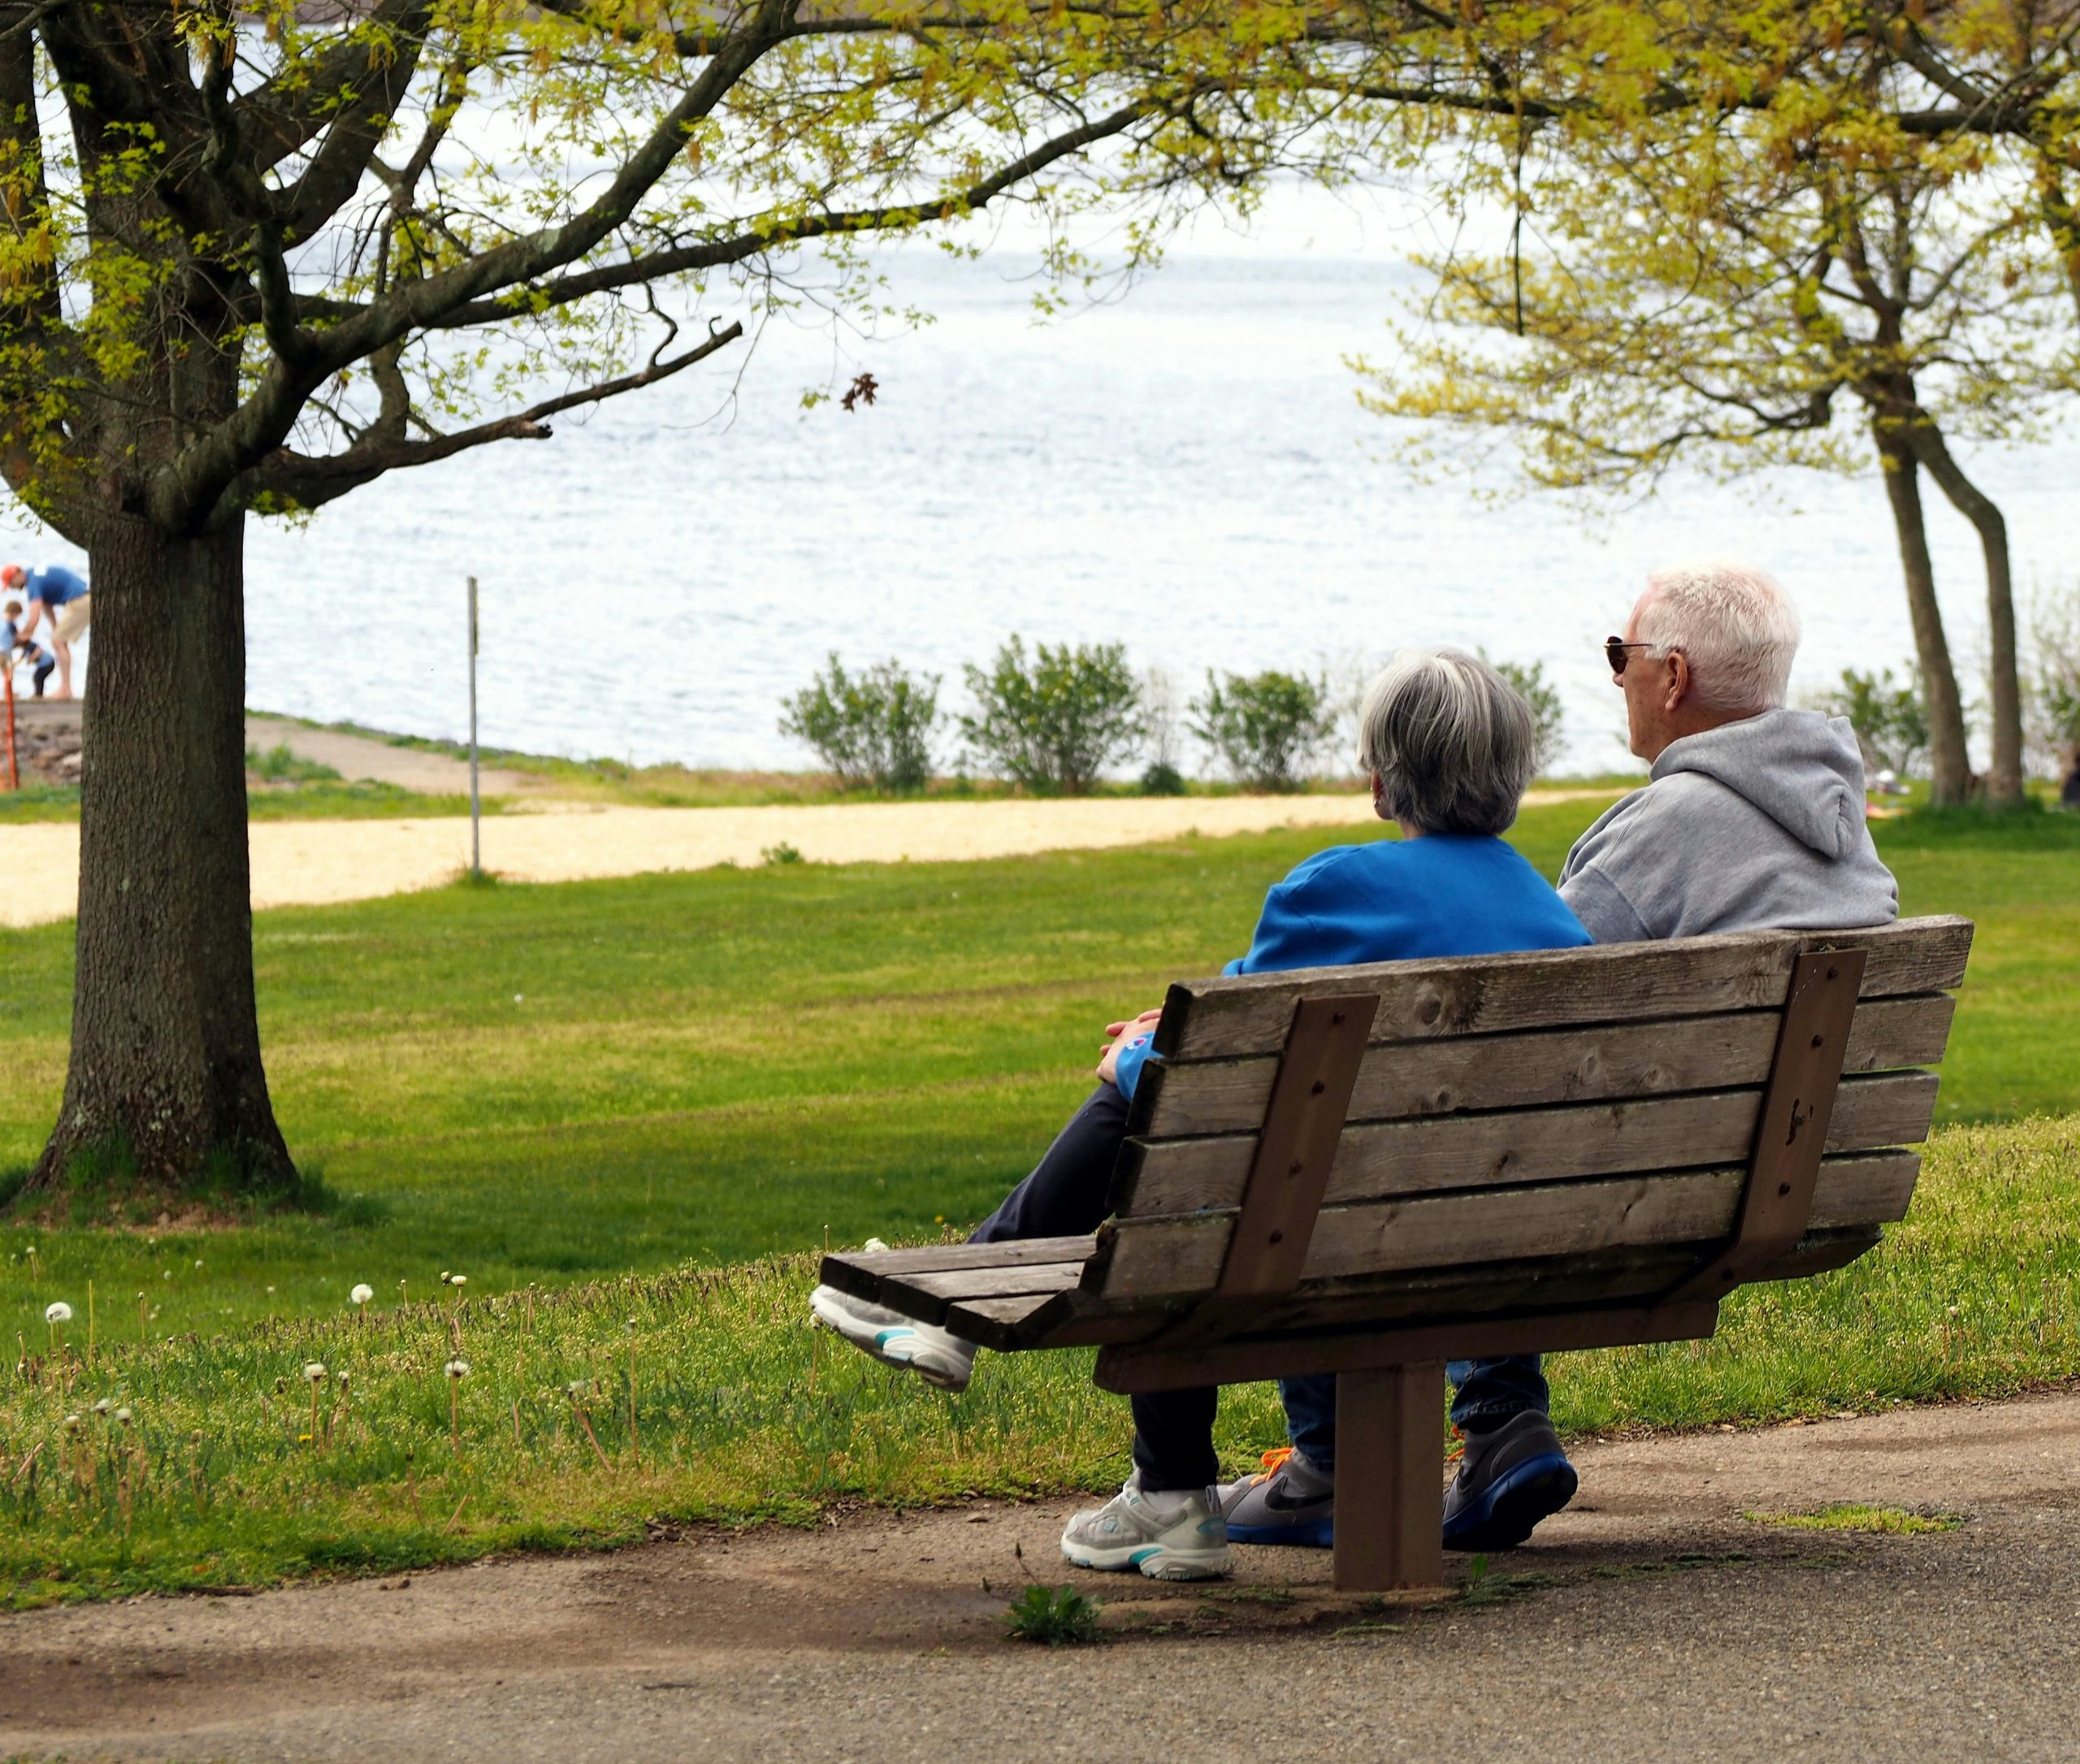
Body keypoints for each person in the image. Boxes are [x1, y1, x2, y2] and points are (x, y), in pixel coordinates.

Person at [812, 648, 1592, 1579]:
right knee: (1195, 1115)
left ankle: (1046, 1371)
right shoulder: (1554, 924)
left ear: (1382, 781)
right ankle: (1156, 1469)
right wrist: (1169, 1036)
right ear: (1514, 776)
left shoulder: (1334, 885)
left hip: (1319, 1235)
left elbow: (1219, 1064)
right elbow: (1248, 1028)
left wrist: (1135, 1054)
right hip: (1492, 1243)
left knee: (1161, 1126)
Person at [1229, 558, 1900, 1561]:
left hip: (1626, 1194)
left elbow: (1501, 1024)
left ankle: (1386, 1447)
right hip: (1801, 1182)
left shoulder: (1659, 832)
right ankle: (1499, 1420)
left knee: (1380, 1131)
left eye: (1619, 657)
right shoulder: (1843, 830)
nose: (1615, 678)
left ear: (1671, 678)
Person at [2, 562, 89, 700]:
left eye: (12, 584)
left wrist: (23, 636)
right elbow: (47, 607)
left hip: (79, 601)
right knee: (58, 640)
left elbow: (34, 617)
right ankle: (66, 688)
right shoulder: (35, 575)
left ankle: (66, 689)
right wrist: (55, 627)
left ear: (17, 574)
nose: (13, 588)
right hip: (83, 598)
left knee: (57, 641)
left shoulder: (32, 584)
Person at [3, 599, 57, 698]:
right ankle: (37, 694)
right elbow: (22, 658)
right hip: (45, 664)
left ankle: (38, 695)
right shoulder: (24, 648)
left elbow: (39, 650)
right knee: (37, 677)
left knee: (38, 677)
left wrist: (31, 658)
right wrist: (16, 663)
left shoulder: (29, 645)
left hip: (48, 662)